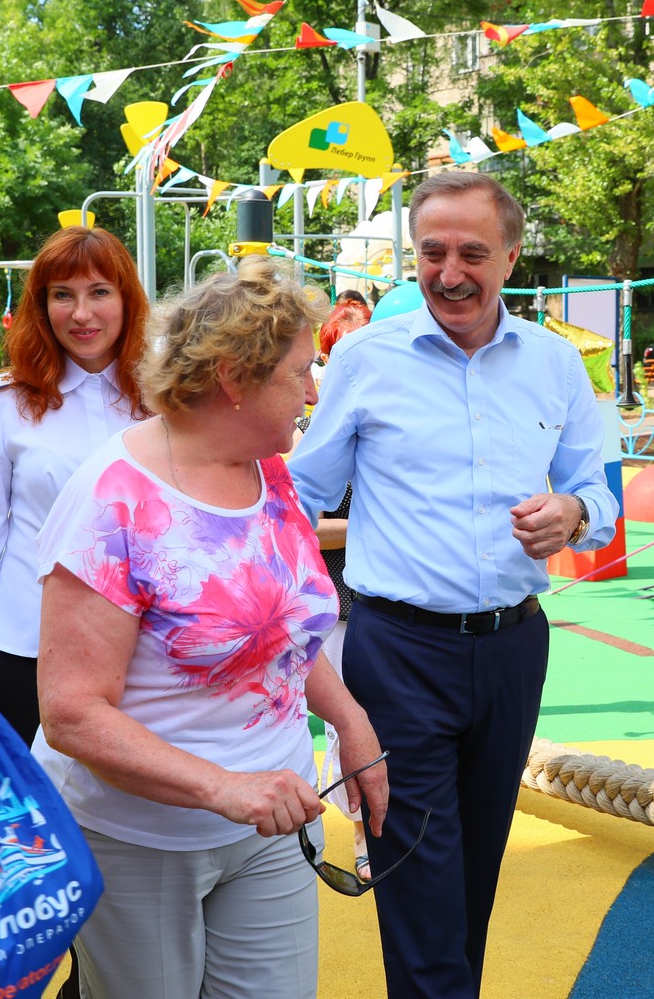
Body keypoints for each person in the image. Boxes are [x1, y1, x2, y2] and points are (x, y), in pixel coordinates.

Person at [288, 170, 618, 999]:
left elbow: (600, 494)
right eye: (432, 251)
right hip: (397, 653)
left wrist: (575, 512)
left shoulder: (554, 363)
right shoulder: (364, 358)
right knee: (419, 877)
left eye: (473, 252)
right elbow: (300, 494)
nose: (450, 271)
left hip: (514, 648)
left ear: (510, 256)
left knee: (472, 875)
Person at [33, 259, 387, 999]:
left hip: (273, 820)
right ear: (233, 377)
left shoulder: (266, 471)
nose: (312, 393)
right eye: (299, 373)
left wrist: (351, 720)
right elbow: (71, 713)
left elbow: (282, 631)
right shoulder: (113, 501)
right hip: (138, 837)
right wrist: (224, 788)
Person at [0, 226, 149, 747]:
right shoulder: (6, 403)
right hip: (30, 647)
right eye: (63, 295)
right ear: (42, 306)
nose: (81, 314)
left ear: (126, 299)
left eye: (99, 292)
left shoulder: (165, 399)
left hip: (150, 645)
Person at [304, 297, 375, 881]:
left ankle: (382, 825)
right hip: (340, 603)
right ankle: (359, 835)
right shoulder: (311, 430)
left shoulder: (388, 422)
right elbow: (302, 525)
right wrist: (374, 527)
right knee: (345, 719)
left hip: (390, 602)